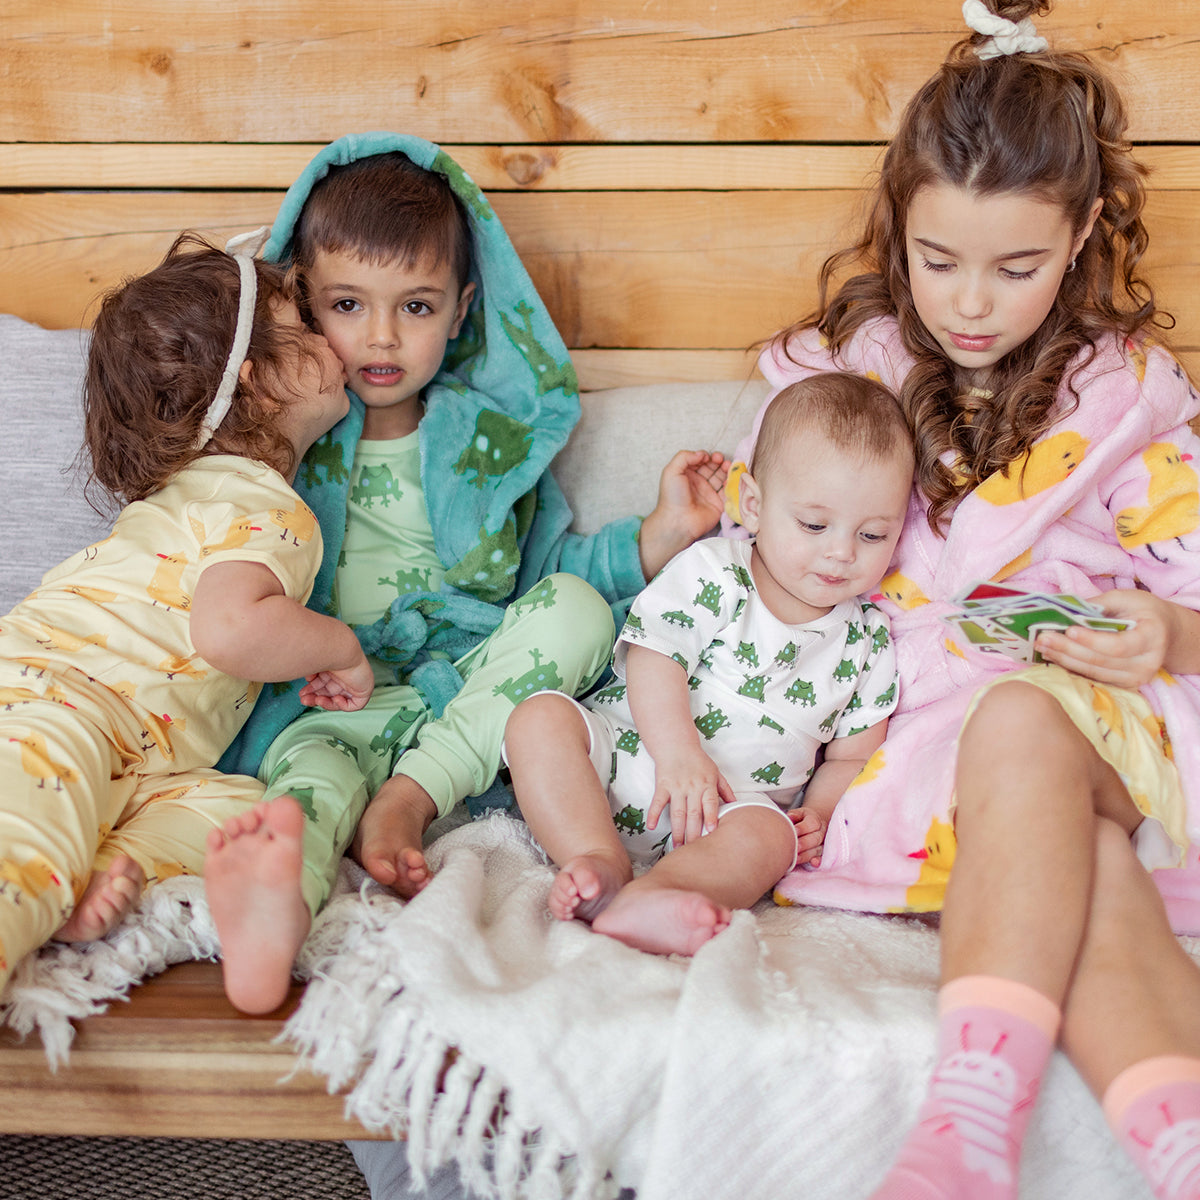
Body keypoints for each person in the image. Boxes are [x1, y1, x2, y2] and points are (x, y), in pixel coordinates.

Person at [721, 3, 1200, 1197]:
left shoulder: (1128, 405)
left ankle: (961, 1137)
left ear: (1085, 231)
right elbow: (753, 565)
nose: (970, 303)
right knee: (1085, 870)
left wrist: (1173, 631)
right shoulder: (845, 379)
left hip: (1104, 723)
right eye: (938, 262)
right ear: (898, 226)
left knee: (1026, 720)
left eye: (1018, 267)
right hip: (920, 744)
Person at [215, 133, 729, 907]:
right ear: (302, 303)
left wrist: (660, 532)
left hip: (470, 688)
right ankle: (275, 889)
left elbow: (546, 576)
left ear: (461, 312)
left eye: (415, 306)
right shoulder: (290, 438)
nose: (382, 337)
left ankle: (413, 795)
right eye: (349, 305)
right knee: (306, 780)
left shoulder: (491, 443)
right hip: (330, 696)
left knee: (577, 611)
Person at [0, 230, 377, 1014]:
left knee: (240, 814)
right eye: (306, 325)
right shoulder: (267, 503)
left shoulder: (194, 495)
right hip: (56, 697)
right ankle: (30, 888)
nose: (329, 333)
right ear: (258, 379)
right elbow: (231, 631)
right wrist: (341, 646)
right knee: (28, 819)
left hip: (140, 753)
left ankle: (100, 871)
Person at [503, 373, 912, 957]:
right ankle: (596, 858)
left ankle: (664, 893)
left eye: (873, 534)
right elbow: (653, 655)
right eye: (815, 525)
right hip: (632, 755)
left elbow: (854, 752)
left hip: (730, 814)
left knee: (772, 838)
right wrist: (677, 754)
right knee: (539, 719)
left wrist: (819, 810)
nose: (841, 552)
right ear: (754, 504)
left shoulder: (868, 639)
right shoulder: (718, 570)